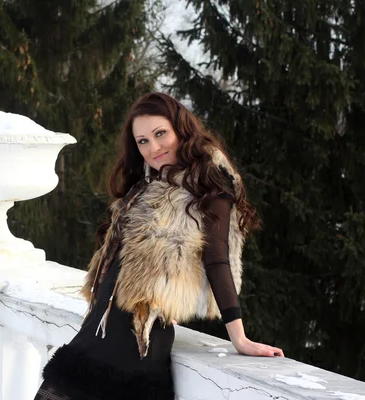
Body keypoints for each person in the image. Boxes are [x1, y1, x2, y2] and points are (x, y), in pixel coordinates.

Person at [34, 92, 284, 400]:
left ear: (181, 128)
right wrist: (165, 292)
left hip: (134, 353)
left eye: (160, 134)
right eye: (143, 141)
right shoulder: (147, 188)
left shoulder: (208, 187)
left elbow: (217, 260)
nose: (153, 148)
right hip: (92, 342)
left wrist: (240, 338)